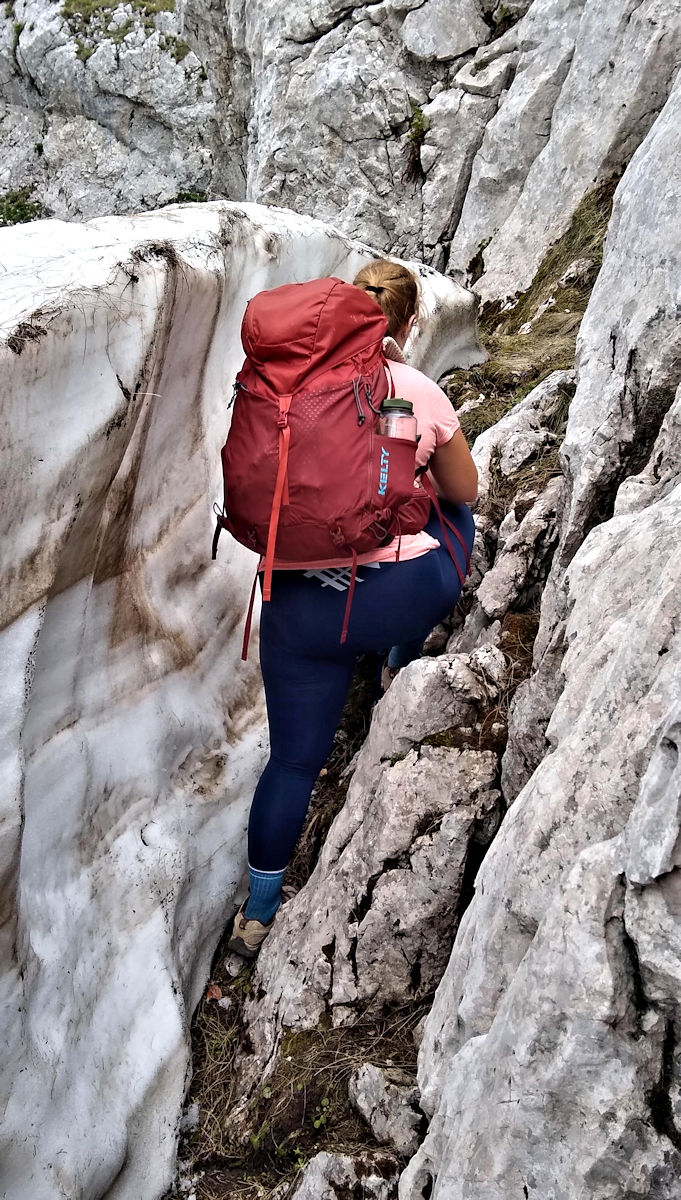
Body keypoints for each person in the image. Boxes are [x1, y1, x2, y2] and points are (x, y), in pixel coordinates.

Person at [228, 260, 478, 958]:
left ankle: (257, 911)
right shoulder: (414, 387)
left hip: (297, 605)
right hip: (394, 599)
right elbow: (466, 488)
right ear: (410, 323)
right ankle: (399, 659)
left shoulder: (279, 387)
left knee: (292, 762)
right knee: (456, 515)